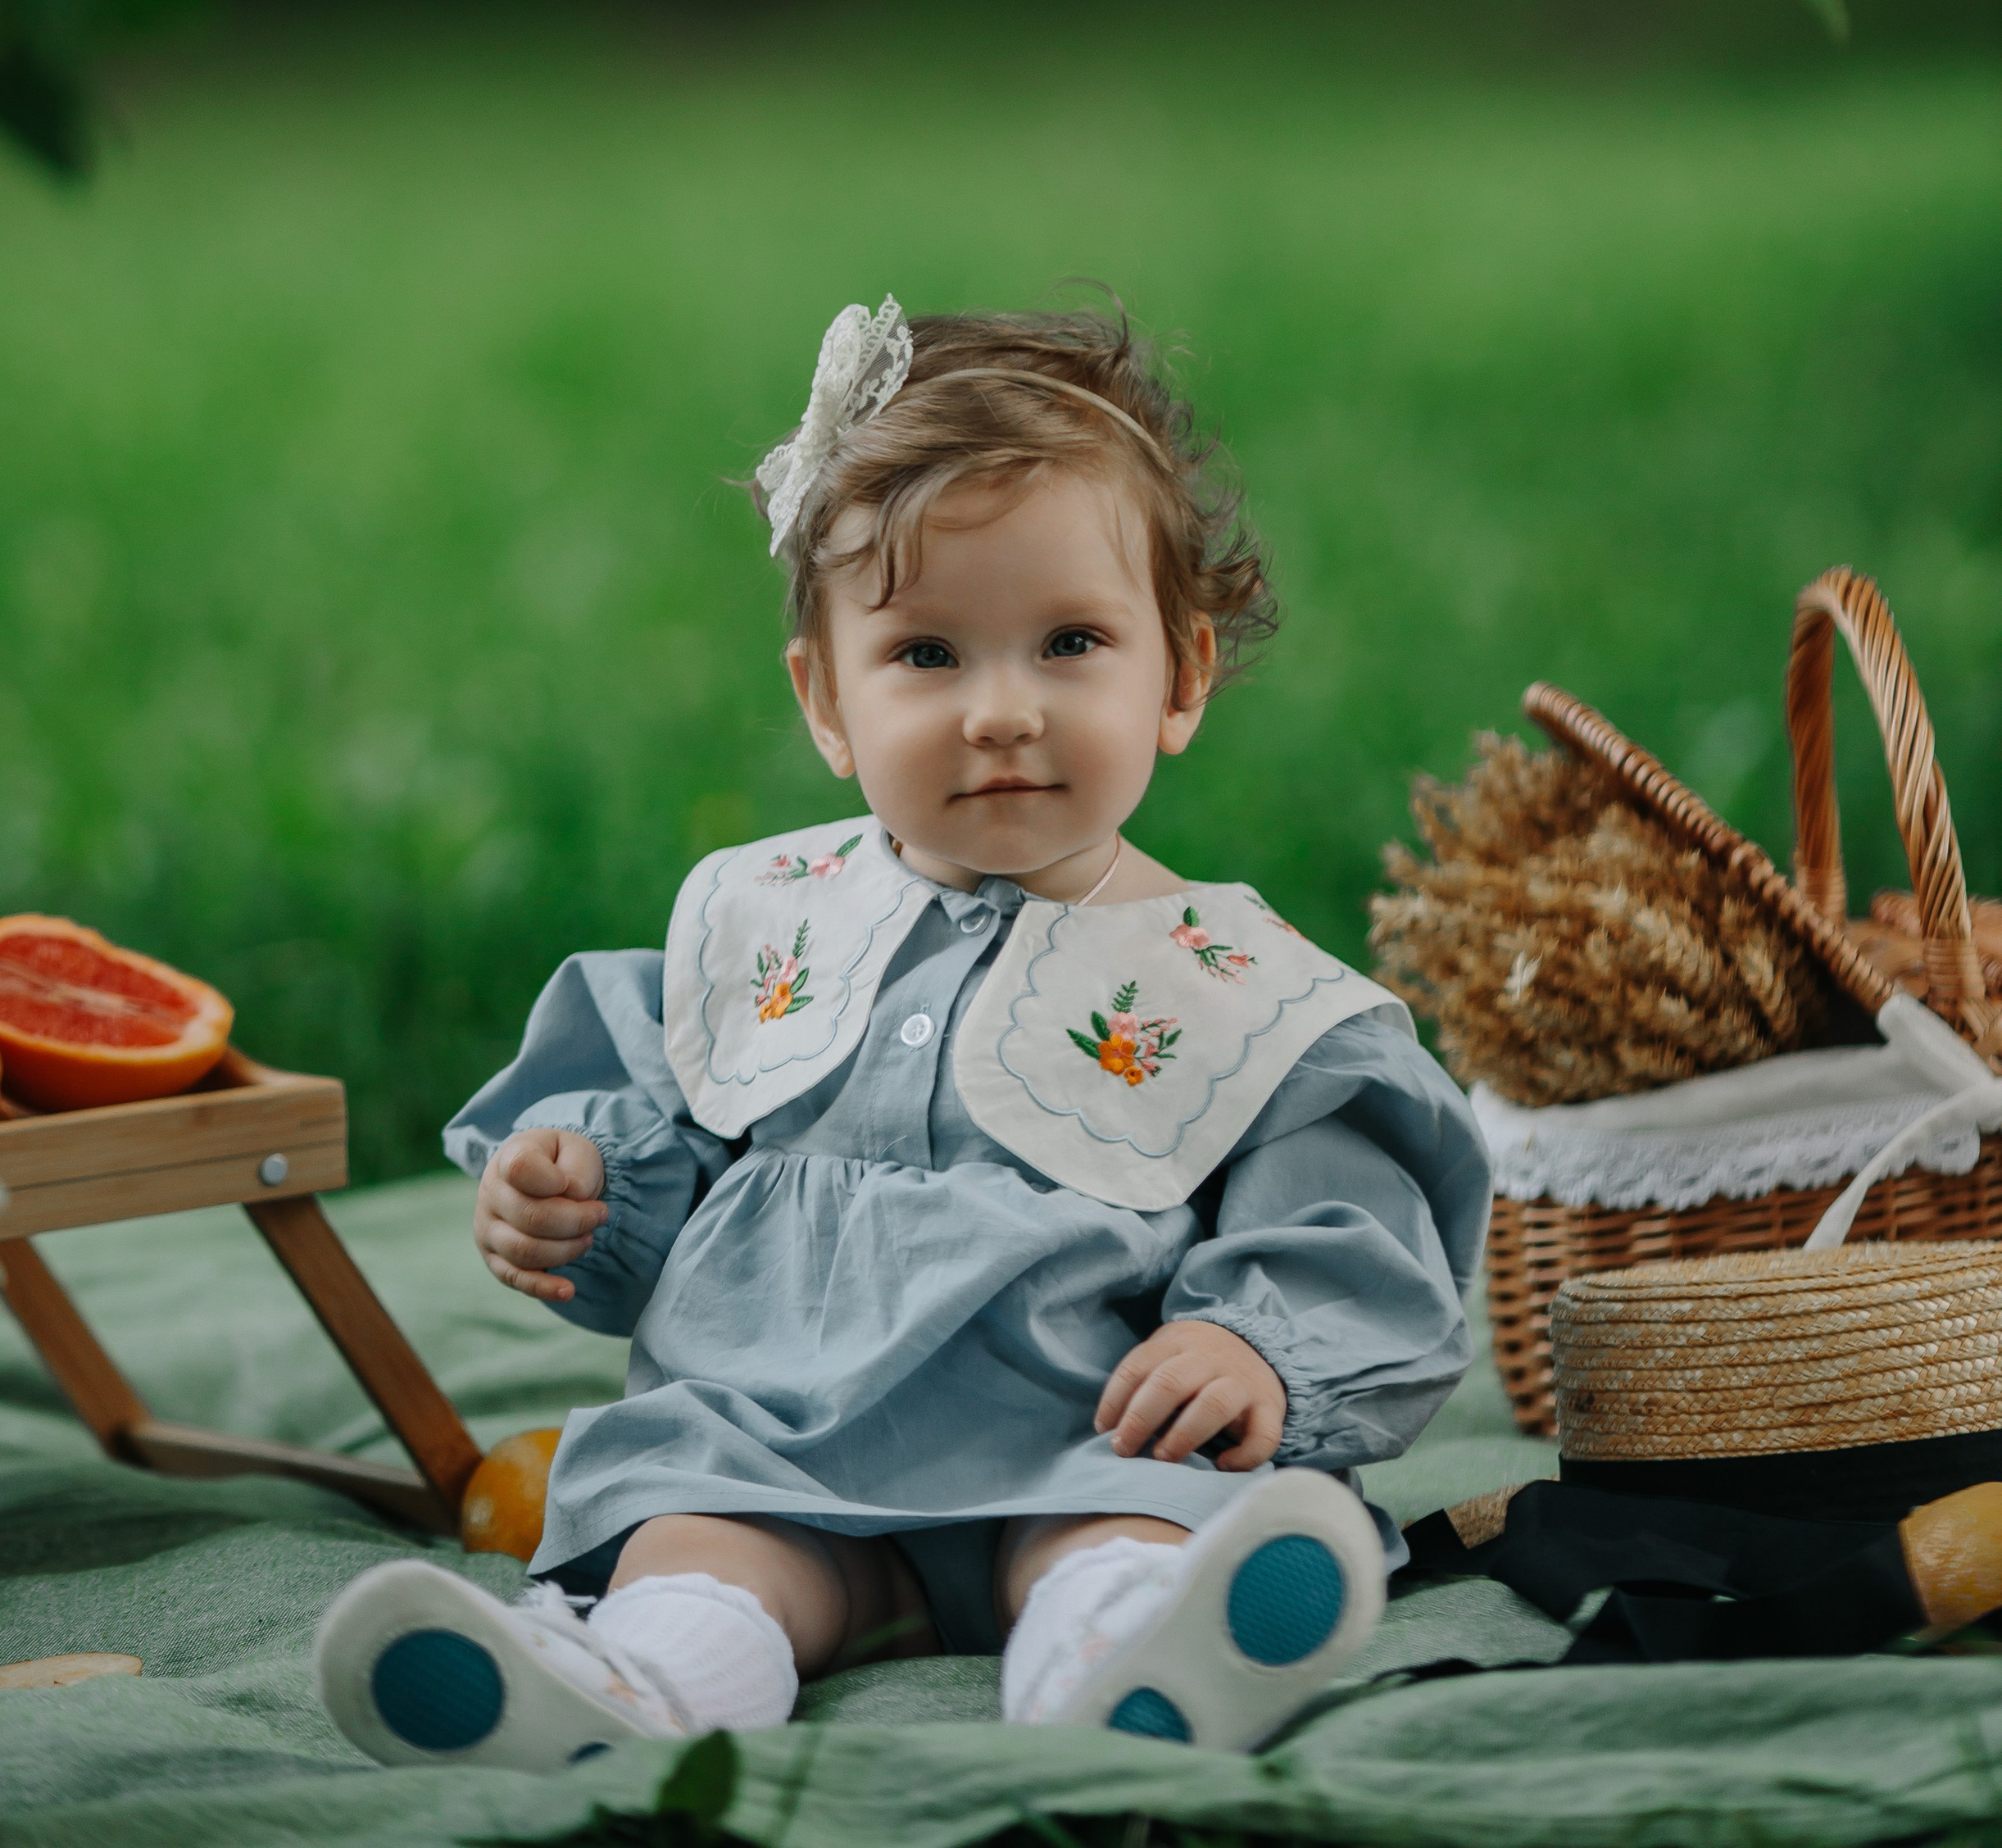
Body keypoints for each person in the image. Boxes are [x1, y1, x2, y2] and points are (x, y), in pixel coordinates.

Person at [316, 299, 1489, 1771]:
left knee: (1138, 1524)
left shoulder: (1233, 984)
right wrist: (581, 1195)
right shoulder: (761, 920)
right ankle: (640, 1692)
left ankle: (1123, 1657)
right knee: (697, 1540)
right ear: (826, 699)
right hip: (774, 1437)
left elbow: (1338, 1219)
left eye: (1071, 642)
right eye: (928, 655)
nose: (1002, 712)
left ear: (1180, 676)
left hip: (1085, 1435)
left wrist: (1249, 1344)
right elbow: (667, 1156)